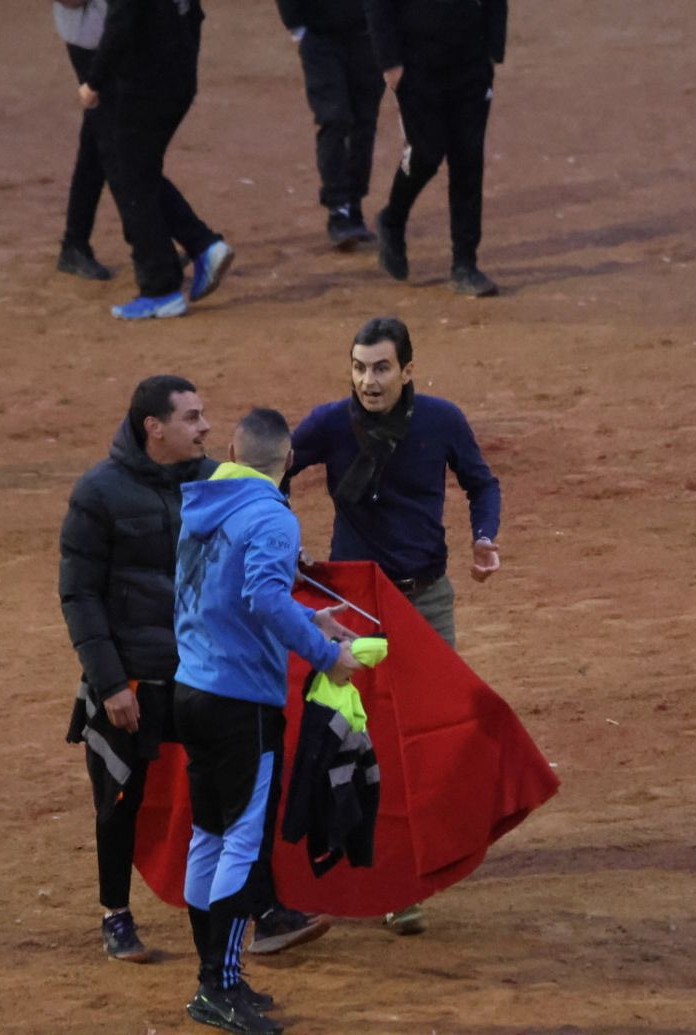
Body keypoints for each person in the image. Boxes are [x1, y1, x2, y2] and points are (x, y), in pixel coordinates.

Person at [59, 377, 329, 963]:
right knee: (120, 797)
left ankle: (262, 911)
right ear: (154, 427)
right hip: (131, 680)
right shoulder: (98, 493)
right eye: (192, 417)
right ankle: (116, 914)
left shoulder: (213, 483)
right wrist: (107, 683)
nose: (206, 428)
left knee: (230, 800)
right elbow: (79, 596)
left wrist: (288, 558)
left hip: (200, 675)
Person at [286, 314, 500, 934]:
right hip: (354, 608)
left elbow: (481, 484)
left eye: (381, 368)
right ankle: (389, 875)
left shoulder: (442, 421)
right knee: (364, 737)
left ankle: (414, 858)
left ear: (408, 370)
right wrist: (283, 542)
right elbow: (274, 471)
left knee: (432, 730)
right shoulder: (330, 423)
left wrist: (484, 538)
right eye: (358, 367)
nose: (368, 381)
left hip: (426, 602)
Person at [174, 408, 362, 1034]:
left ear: (231, 449)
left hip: (192, 690)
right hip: (240, 703)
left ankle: (215, 980)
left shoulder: (202, 507)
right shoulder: (272, 515)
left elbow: (230, 596)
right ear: (286, 464)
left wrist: (312, 622)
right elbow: (261, 596)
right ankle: (218, 985)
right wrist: (326, 654)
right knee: (240, 841)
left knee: (208, 836)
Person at [80, 0, 234, 319]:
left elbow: (122, 19)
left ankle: (161, 286)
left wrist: (94, 81)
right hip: (178, 78)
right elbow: (194, 13)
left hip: (144, 84)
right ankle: (202, 245)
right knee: (140, 170)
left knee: (129, 175)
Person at [364, 0, 509, 297]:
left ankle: (465, 263)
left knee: (468, 160)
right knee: (425, 153)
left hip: (470, 63)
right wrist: (390, 62)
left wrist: (492, 50)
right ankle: (392, 218)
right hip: (415, 65)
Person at [268, 0, 386, 250]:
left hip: (369, 31)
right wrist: (296, 25)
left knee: (364, 121)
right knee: (334, 117)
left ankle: (353, 204)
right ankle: (337, 208)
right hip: (320, 36)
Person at [13, 0, 116, 281]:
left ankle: (83, 243)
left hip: (131, 22)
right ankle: (152, 244)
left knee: (108, 134)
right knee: (113, 134)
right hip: (92, 29)